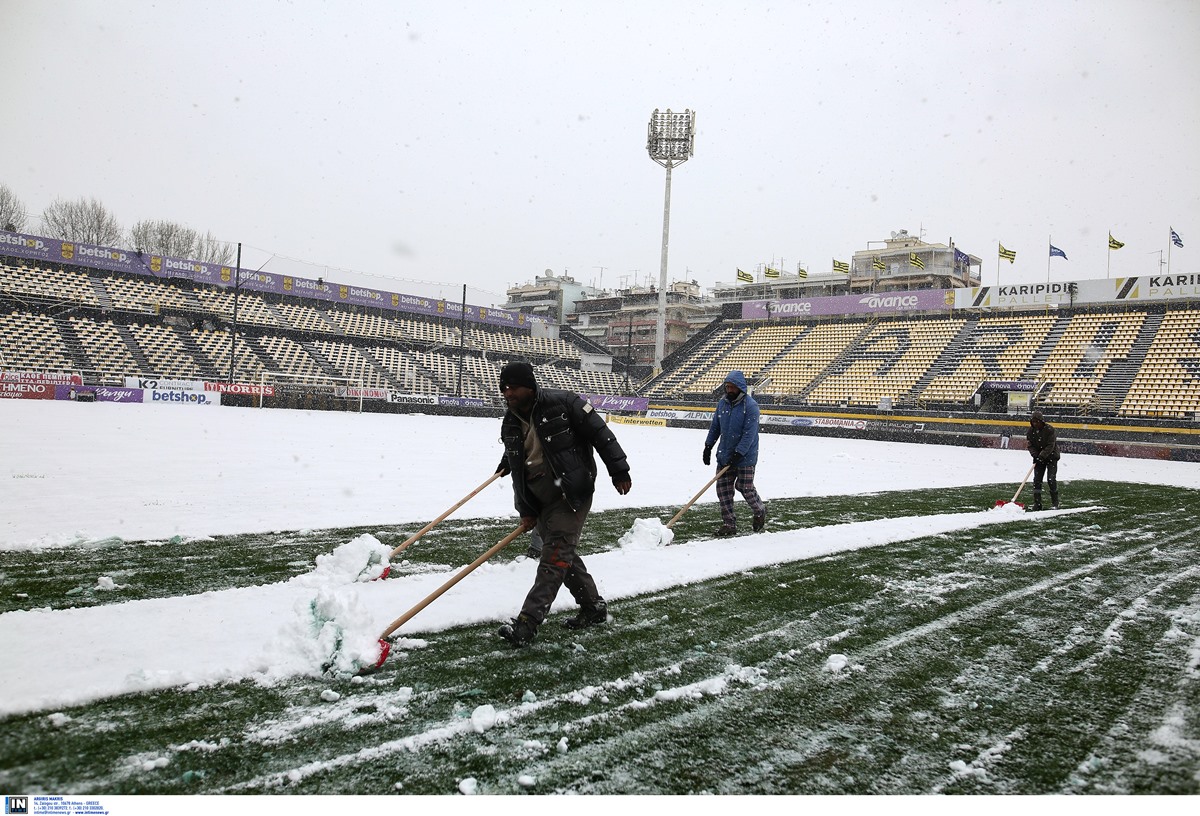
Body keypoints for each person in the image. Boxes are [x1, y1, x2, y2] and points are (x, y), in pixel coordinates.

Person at [494, 361, 632, 647]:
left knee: (554, 556)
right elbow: (518, 464)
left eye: (514, 387)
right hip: (538, 496)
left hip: (571, 492)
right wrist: (526, 509)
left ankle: (527, 623)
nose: (508, 393)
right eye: (504, 388)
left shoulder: (564, 403)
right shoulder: (510, 421)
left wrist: (619, 470)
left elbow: (601, 434)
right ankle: (593, 607)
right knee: (562, 554)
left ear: (530, 386)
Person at [703, 370, 767, 536]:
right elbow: (715, 427)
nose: (729, 390)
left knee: (744, 487)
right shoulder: (722, 404)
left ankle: (759, 510)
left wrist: (739, 453)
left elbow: (749, 434)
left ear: (740, 388)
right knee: (723, 490)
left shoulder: (751, 406)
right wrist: (708, 446)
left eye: (732, 387)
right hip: (725, 454)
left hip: (745, 456)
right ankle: (729, 524)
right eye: (727, 387)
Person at [1026, 410, 1061, 510]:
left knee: (1051, 479)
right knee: (1037, 480)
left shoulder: (1050, 429)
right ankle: (1037, 503)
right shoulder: (1030, 431)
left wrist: (1042, 455)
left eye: (1037, 421)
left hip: (1051, 457)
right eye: (1033, 421)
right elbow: (1030, 445)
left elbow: (1051, 445)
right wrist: (1035, 455)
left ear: (1041, 421)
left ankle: (1055, 503)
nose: (1035, 424)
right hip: (1038, 458)